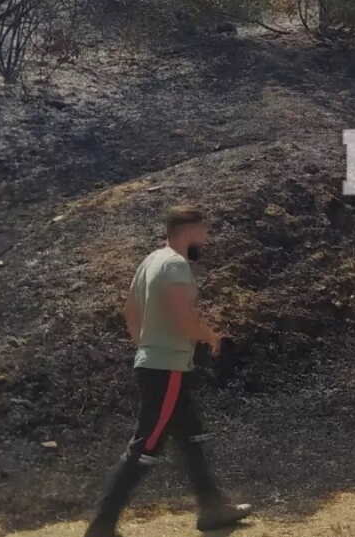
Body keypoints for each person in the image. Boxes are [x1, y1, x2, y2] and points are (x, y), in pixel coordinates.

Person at [83, 206, 251, 537]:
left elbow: (130, 309)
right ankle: (102, 525)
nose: (206, 239)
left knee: (192, 439)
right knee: (146, 445)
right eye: (204, 232)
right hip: (167, 368)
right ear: (189, 230)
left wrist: (145, 344)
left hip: (160, 363)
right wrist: (211, 337)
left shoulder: (152, 260)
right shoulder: (175, 264)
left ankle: (213, 509)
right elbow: (183, 318)